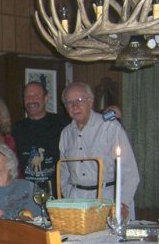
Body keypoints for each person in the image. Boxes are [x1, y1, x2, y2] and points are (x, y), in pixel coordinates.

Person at [59, 82, 140, 220]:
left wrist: (123, 203)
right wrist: (70, 194)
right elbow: (63, 171)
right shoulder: (66, 134)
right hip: (77, 203)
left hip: (108, 200)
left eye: (80, 100)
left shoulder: (110, 128)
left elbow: (129, 170)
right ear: (65, 107)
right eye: (69, 102)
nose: (75, 106)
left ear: (90, 102)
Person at [11, 82, 70, 197]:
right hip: (27, 196)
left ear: (46, 98)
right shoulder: (16, 128)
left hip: (58, 196)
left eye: (36, 96)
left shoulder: (63, 124)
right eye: (27, 96)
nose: (31, 100)